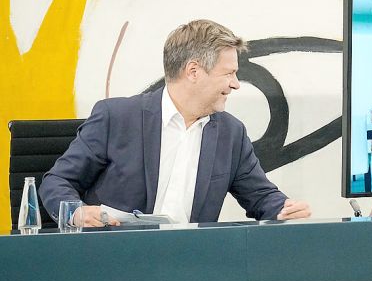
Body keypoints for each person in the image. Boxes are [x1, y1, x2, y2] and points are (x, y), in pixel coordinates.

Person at [39, 19, 311, 226]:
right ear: (193, 71)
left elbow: (261, 197)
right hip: (113, 263)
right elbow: (57, 181)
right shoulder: (117, 117)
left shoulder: (231, 133)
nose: (236, 84)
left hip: (191, 268)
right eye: (229, 73)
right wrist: (75, 213)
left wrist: (283, 208)